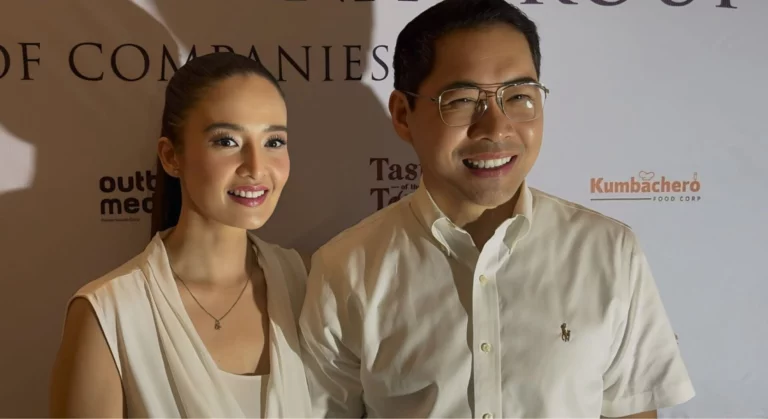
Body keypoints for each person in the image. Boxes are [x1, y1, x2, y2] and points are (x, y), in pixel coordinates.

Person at [299, 0, 695, 418]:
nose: (496, 127)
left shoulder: (608, 251)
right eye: (461, 100)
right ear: (402, 115)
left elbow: (633, 410)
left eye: (519, 96)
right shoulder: (346, 268)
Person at [49, 52, 313, 417]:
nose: (256, 167)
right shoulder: (108, 314)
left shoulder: (307, 284)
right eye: (227, 141)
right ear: (171, 156)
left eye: (273, 142)